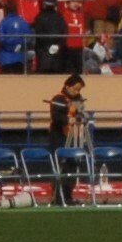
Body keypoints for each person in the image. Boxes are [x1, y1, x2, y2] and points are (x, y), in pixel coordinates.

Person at [46, 71, 90, 206]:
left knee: (72, 167)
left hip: (73, 137)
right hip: (59, 137)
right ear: (67, 86)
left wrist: (81, 116)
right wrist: (68, 118)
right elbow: (56, 118)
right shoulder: (58, 99)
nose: (77, 92)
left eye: (79, 89)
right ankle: (57, 197)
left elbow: (81, 113)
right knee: (60, 167)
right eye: (75, 88)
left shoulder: (78, 99)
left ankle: (68, 196)